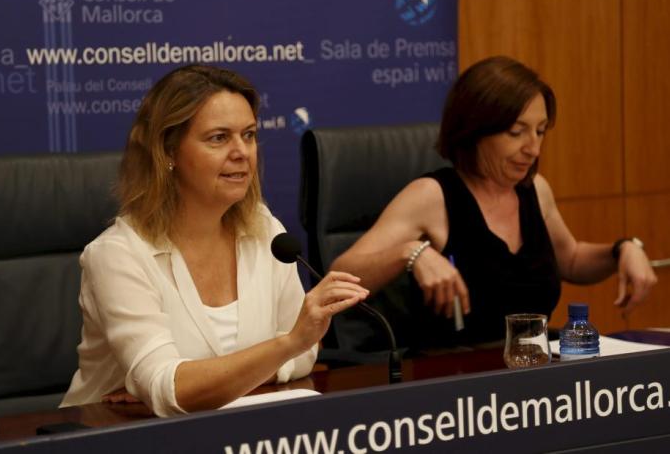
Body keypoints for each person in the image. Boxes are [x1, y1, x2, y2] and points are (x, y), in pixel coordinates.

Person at [61, 65, 367, 416]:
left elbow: (305, 353)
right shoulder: (118, 255)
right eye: (219, 138)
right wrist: (282, 348)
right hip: (113, 431)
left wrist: (201, 383)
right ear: (168, 151)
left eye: (248, 135)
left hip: (228, 427)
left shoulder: (265, 230)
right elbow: (171, 390)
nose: (242, 152)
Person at [331, 56, 657, 347]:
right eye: (516, 132)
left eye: (540, 131)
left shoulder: (535, 190)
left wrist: (623, 249)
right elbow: (340, 275)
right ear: (475, 131)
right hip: (453, 378)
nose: (533, 148)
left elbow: (570, 259)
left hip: (532, 368)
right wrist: (411, 252)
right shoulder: (431, 196)